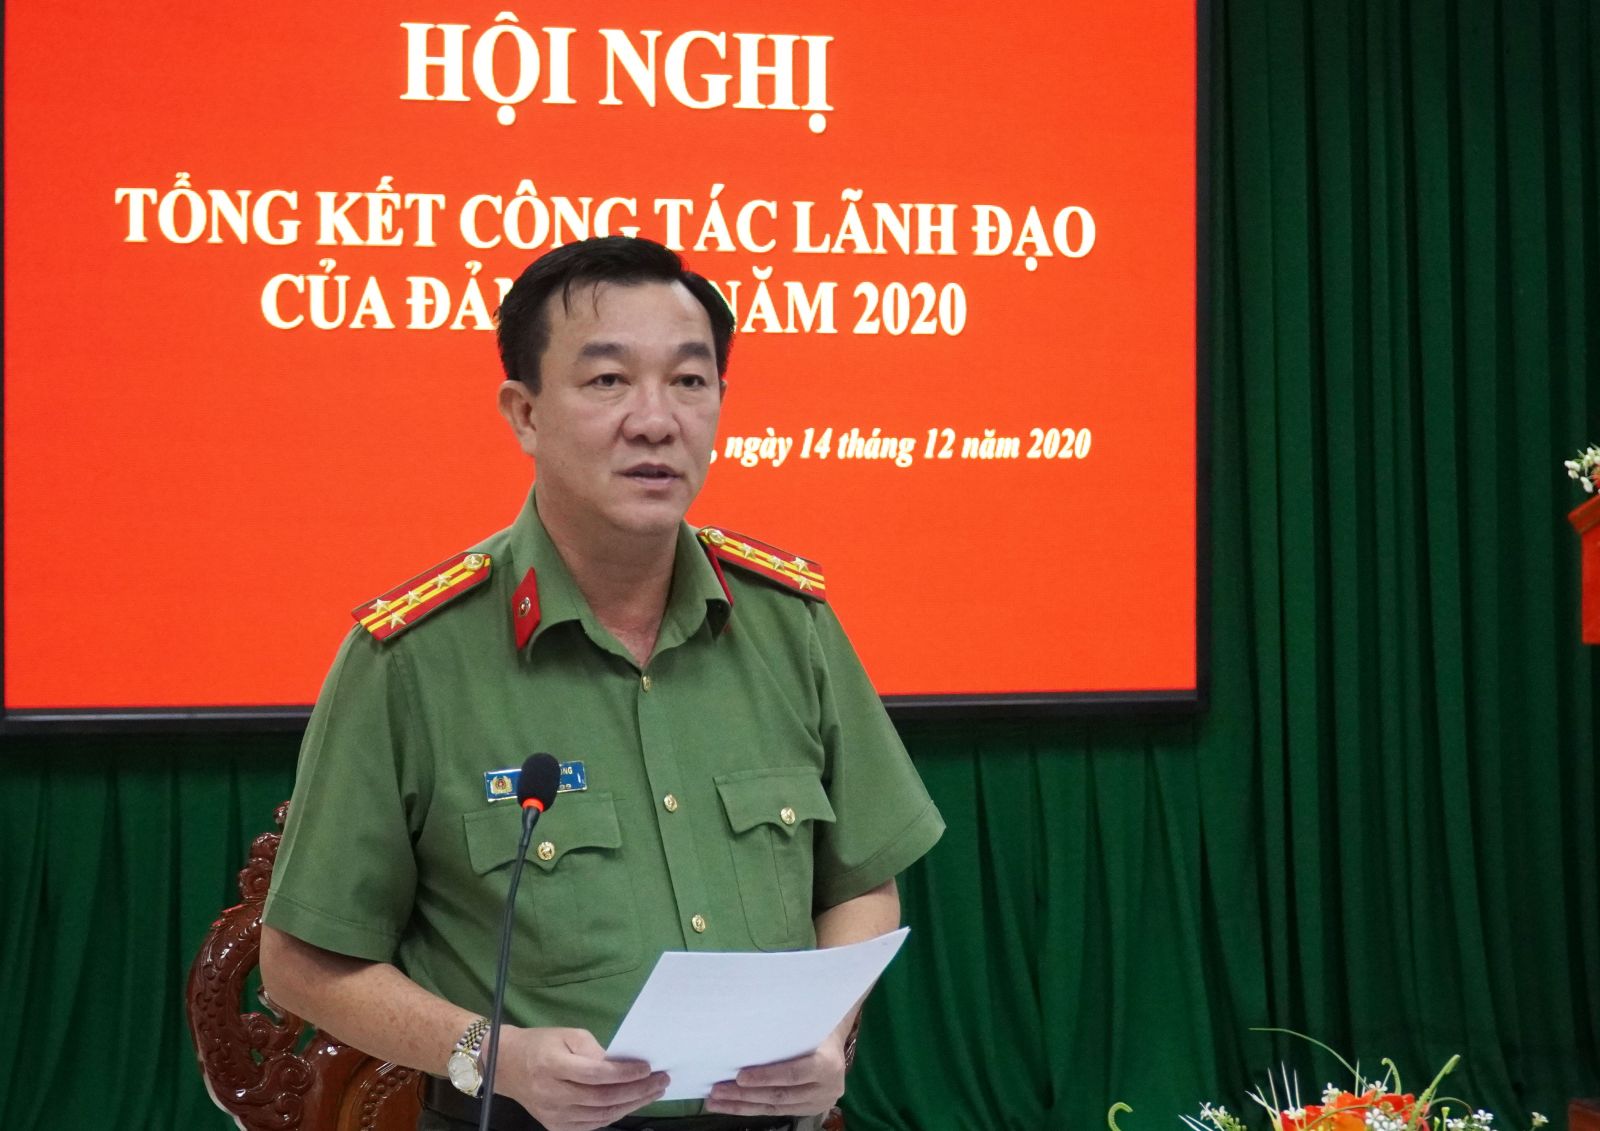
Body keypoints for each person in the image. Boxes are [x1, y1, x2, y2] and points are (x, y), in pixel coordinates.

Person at [259, 236, 944, 1131]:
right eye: (609, 380)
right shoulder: (411, 659)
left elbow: (861, 882)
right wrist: (491, 1053)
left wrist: (827, 1037)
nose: (656, 421)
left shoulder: (792, 626)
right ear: (525, 412)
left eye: (689, 381)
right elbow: (301, 962)